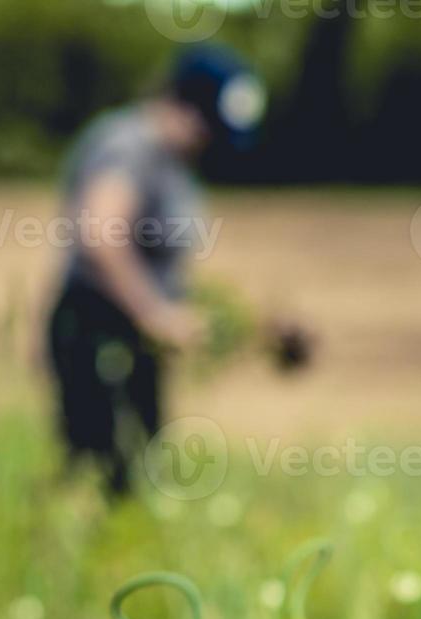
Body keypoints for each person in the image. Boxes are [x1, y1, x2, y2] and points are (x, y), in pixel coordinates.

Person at [46, 45, 268, 494]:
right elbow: (101, 233)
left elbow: (169, 267)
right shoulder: (130, 145)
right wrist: (155, 314)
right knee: (100, 475)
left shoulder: (172, 164)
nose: (208, 144)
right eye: (207, 130)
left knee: (136, 476)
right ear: (181, 105)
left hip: (131, 341)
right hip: (95, 332)